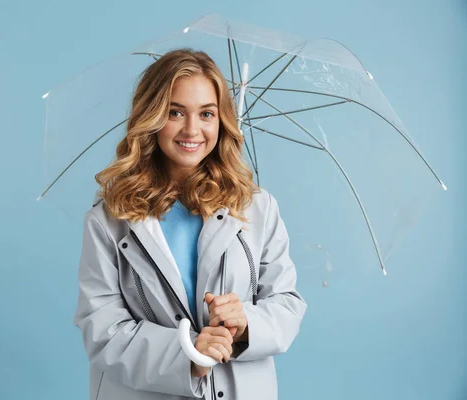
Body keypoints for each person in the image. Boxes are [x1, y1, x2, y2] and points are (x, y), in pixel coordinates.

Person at [73, 49, 307, 400]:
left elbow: (285, 303)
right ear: (151, 117)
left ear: (221, 120)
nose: (192, 129)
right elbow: (102, 331)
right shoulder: (110, 219)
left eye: (206, 113)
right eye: (175, 112)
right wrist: (190, 355)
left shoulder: (257, 207)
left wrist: (245, 322)